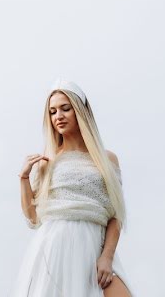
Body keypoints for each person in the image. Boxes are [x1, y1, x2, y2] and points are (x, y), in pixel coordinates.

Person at [9, 78, 135, 297]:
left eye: (65, 109)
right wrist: (24, 178)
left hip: (95, 246)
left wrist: (106, 256)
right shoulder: (48, 161)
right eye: (53, 111)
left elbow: (116, 215)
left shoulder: (107, 159)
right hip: (55, 248)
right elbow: (33, 219)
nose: (58, 116)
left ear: (80, 111)